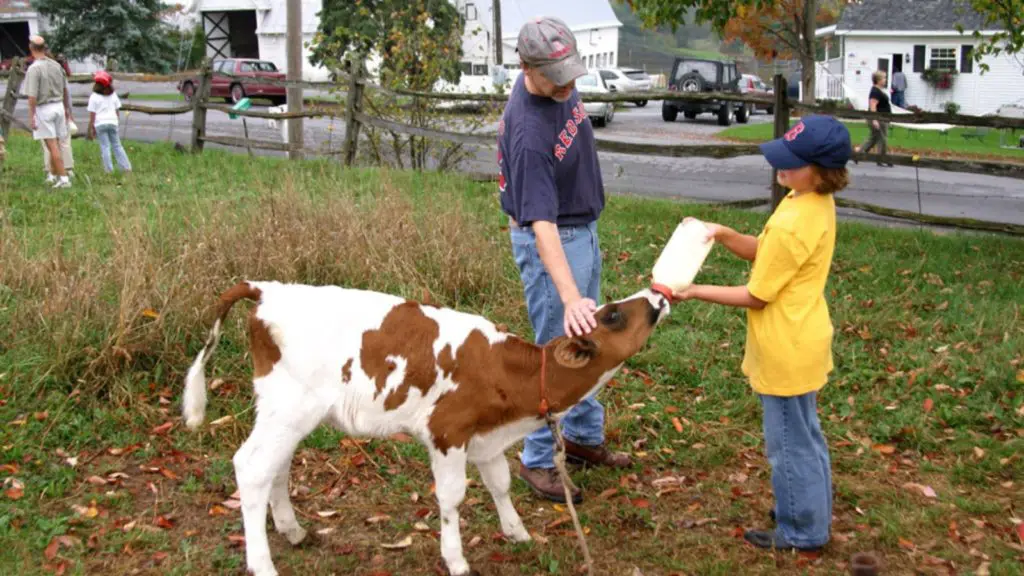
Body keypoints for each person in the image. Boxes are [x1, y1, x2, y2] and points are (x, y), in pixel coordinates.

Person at [670, 115, 851, 552]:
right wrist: (726, 233)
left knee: (789, 444)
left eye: (792, 163)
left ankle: (803, 529)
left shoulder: (795, 221)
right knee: (805, 434)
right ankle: (805, 502)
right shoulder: (808, 201)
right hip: (803, 335)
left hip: (786, 345)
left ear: (821, 171)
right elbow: (766, 253)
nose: (780, 168)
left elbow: (756, 294)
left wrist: (691, 289)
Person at [498, 16, 630, 504]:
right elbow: (542, 227)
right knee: (556, 349)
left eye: (571, 71)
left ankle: (582, 437)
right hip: (557, 239)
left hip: (583, 228)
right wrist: (570, 295)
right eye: (558, 76)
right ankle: (535, 460)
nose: (570, 84)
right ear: (527, 68)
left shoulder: (558, 82)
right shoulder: (529, 133)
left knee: (588, 341)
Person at [24, 35, 72, 188]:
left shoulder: (34, 68)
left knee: (51, 144)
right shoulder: (56, 65)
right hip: (58, 105)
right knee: (56, 142)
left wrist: (31, 115)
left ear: (31, 48)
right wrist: (66, 109)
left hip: (44, 108)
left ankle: (64, 178)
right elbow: (65, 89)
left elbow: (32, 96)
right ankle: (54, 174)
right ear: (44, 48)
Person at [87, 70, 132, 174]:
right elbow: (117, 110)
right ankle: (126, 167)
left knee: (105, 146)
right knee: (117, 145)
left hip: (100, 123)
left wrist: (92, 127)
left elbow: (92, 114)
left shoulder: (94, 97)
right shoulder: (113, 95)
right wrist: (116, 121)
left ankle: (108, 170)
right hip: (112, 122)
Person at [40, 53, 76, 180]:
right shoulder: (60, 73)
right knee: (64, 141)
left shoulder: (39, 74)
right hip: (60, 109)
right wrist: (69, 112)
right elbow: (67, 94)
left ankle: (51, 171)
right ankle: (67, 167)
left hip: (45, 110)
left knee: (48, 142)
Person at [853, 70, 894, 167]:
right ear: (878, 80)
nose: (885, 80)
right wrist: (875, 120)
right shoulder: (875, 91)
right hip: (878, 119)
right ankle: (882, 159)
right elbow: (873, 106)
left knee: (874, 138)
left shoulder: (879, 90)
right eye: (884, 78)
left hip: (882, 118)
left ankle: (858, 154)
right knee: (882, 138)